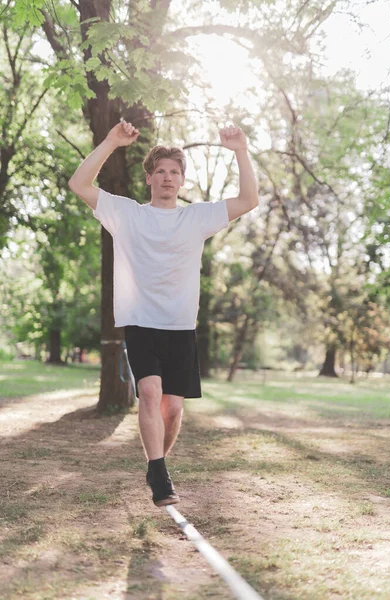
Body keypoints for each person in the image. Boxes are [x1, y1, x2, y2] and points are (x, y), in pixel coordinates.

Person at [68, 120, 259, 507]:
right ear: (149, 179)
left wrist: (241, 150)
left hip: (180, 325)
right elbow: (80, 185)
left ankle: (157, 463)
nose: (168, 178)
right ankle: (159, 474)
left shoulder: (196, 218)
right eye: (161, 172)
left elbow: (248, 200)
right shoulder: (127, 214)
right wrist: (110, 142)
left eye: (175, 172)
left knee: (172, 409)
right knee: (149, 393)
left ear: (182, 181)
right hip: (140, 321)